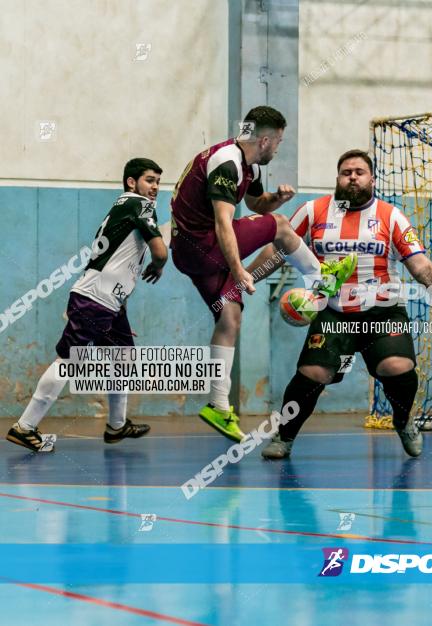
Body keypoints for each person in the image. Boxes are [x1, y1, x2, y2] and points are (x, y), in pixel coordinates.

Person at [256, 149, 432, 459]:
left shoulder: (391, 216)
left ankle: (403, 422)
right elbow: (280, 249)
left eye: (359, 172)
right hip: (333, 312)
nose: (352, 177)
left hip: (383, 312)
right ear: (337, 178)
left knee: (397, 367)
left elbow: (420, 265)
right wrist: (246, 278)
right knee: (313, 372)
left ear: (372, 179)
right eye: (346, 172)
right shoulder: (313, 210)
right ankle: (284, 437)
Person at [169, 106, 356, 442]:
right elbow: (223, 222)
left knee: (230, 316)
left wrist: (277, 198)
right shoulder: (227, 163)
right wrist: (239, 270)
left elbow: (257, 206)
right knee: (282, 228)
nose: (278, 149)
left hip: (191, 253)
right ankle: (321, 277)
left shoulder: (245, 165)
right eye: (279, 143)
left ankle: (218, 405)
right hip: (201, 245)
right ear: (265, 140)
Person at [6, 158, 167, 451]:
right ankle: (25, 427)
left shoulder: (122, 207)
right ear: (132, 182)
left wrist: (120, 305)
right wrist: (159, 264)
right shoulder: (139, 204)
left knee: (122, 359)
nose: (155, 187)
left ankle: (117, 425)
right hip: (97, 298)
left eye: (158, 181)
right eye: (149, 180)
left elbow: (119, 260)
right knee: (68, 361)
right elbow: (159, 250)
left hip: (109, 300)